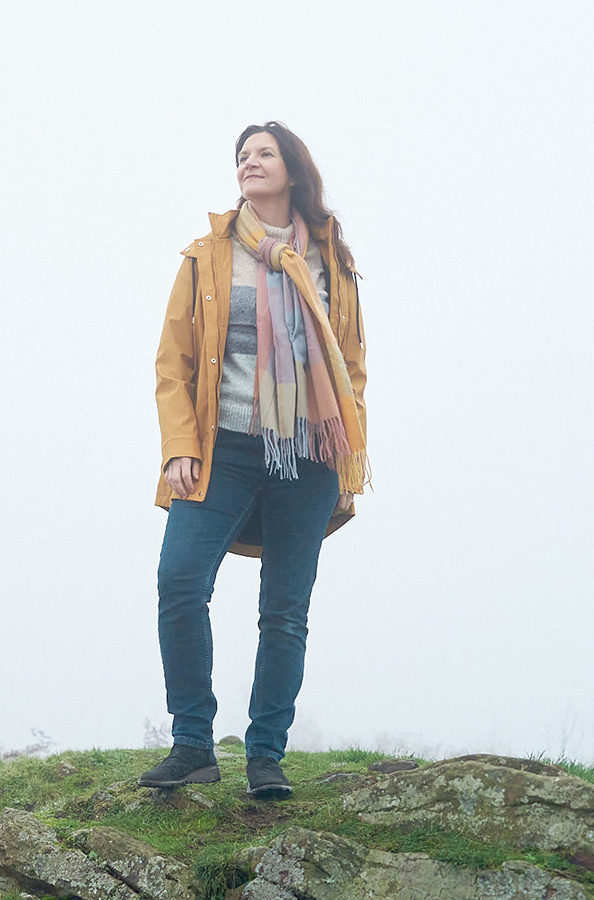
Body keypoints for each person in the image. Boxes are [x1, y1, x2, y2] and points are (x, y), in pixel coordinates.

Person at [142, 121, 368, 799]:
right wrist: (180, 446)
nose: (249, 163)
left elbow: (352, 366)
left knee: (286, 611)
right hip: (225, 450)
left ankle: (265, 754)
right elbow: (172, 363)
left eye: (263, 153)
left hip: (310, 454)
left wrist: (348, 446)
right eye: (242, 156)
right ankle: (192, 744)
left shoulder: (333, 260)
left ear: (292, 170)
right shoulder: (206, 256)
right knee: (180, 582)